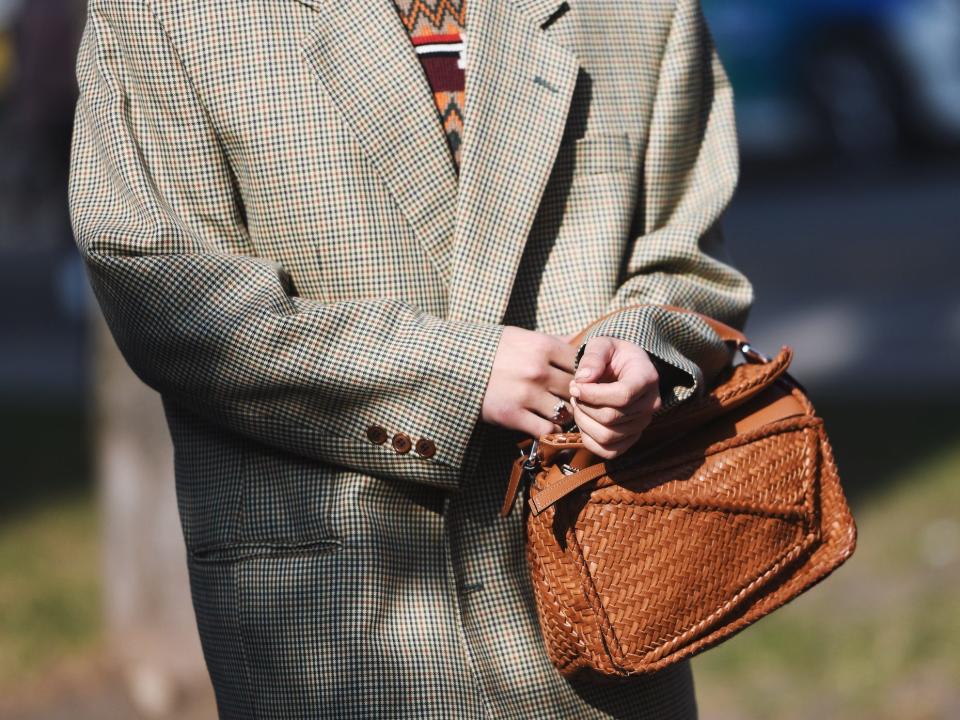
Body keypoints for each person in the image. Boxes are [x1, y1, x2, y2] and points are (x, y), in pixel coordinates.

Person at [67, 0, 754, 717]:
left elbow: (690, 256)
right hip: (336, 613)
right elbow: (168, 293)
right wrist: (454, 375)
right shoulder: (164, 12)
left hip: (605, 597)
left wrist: (645, 349)